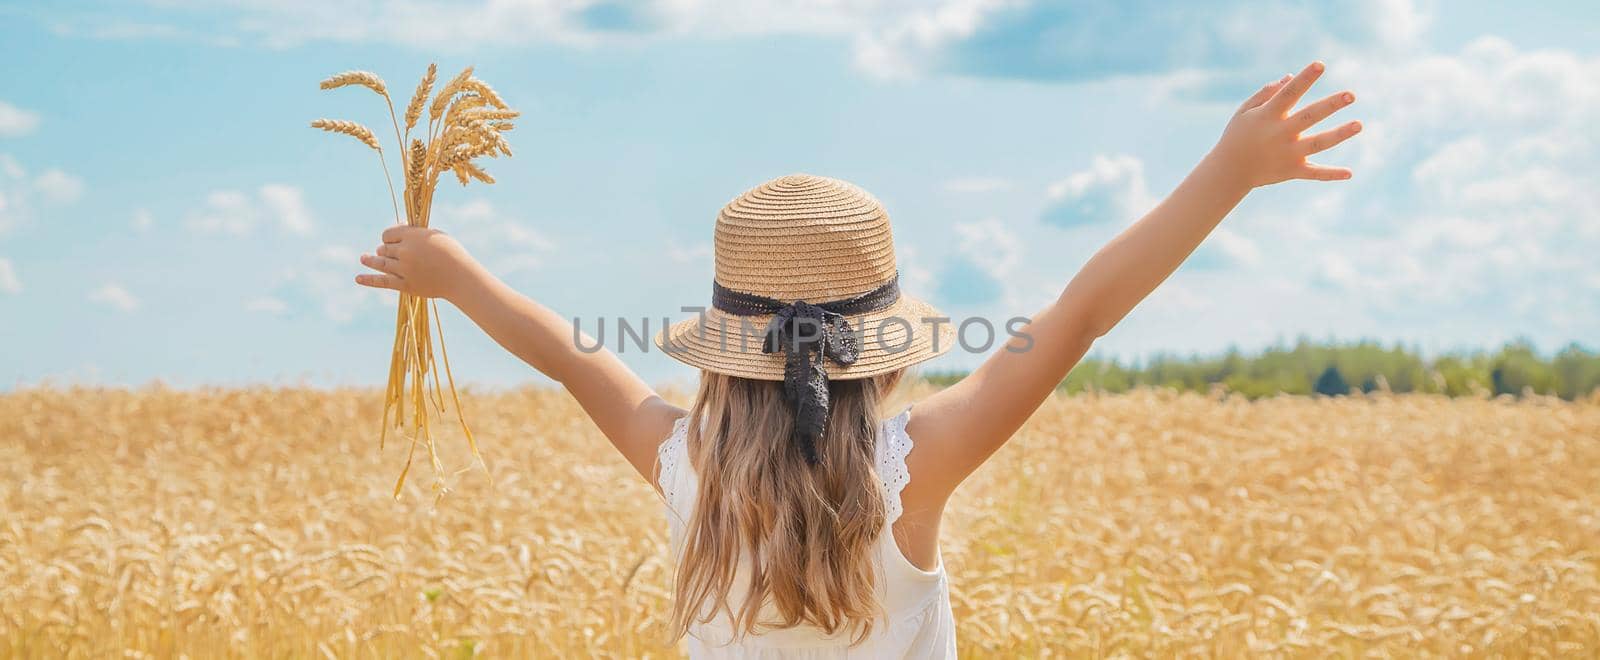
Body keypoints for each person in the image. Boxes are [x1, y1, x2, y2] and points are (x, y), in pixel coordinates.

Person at [355, 61, 1360, 658]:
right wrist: (1229, 172)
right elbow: (1079, 314)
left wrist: (456, 274)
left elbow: (572, 359)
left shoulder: (681, 465)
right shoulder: (914, 465)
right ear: (880, 350)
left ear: (725, 348)